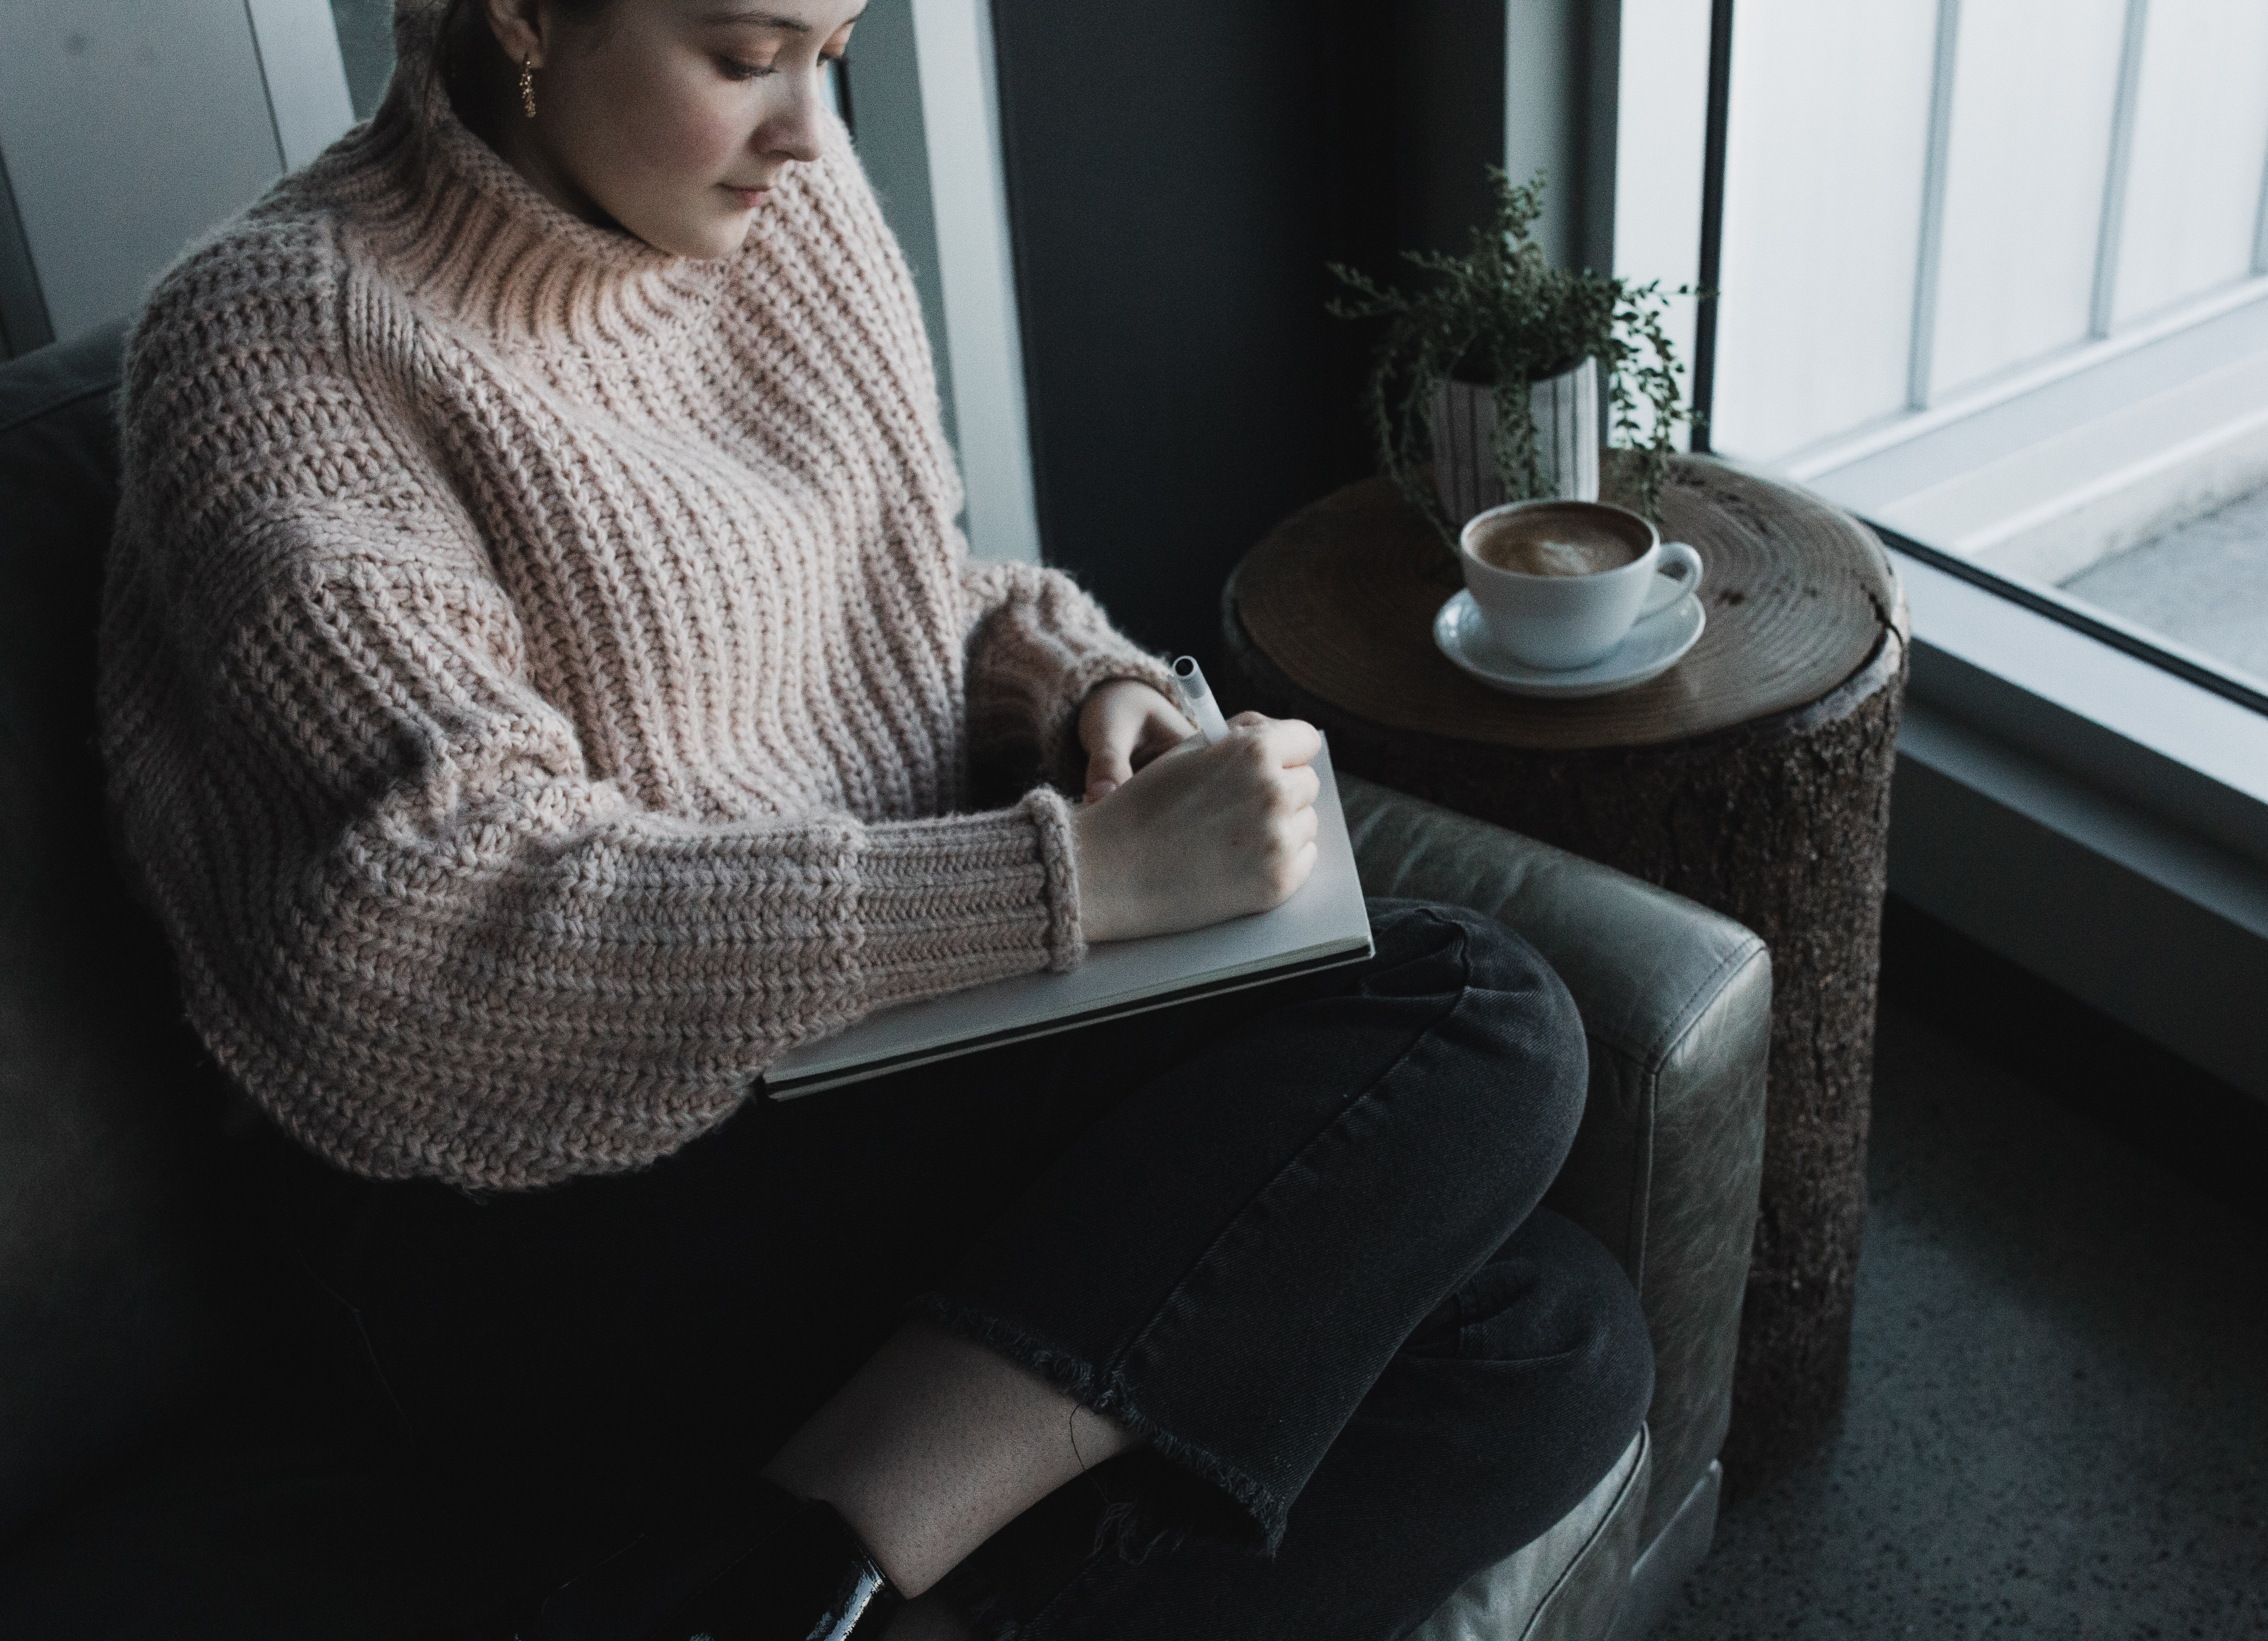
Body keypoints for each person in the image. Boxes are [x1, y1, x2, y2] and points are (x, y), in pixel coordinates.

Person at [95, 0, 1653, 1636]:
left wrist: (1078, 691)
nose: (805, 125)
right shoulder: (276, 344)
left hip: (859, 1064)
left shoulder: (781, 204)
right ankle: (809, 1564)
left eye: (831, 50)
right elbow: (435, 917)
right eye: (746, 53)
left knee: (1552, 1338)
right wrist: (1072, 885)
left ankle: (810, 1584)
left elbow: (905, 600)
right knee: (1477, 1010)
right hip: (510, 1217)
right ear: (525, 16)